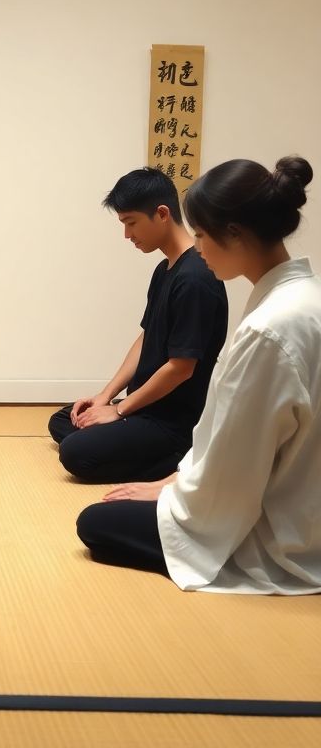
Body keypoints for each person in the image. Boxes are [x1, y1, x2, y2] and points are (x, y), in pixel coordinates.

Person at [77, 156, 321, 593]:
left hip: (277, 526)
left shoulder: (268, 329)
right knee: (77, 434)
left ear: (235, 233)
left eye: (203, 235)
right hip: (301, 501)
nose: (199, 247)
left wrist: (174, 489)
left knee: (95, 521)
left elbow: (238, 461)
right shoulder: (304, 298)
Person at [48, 168, 228, 482]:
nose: (127, 235)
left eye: (131, 223)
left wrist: (119, 410)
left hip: (174, 421)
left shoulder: (195, 278)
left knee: (75, 452)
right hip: (146, 407)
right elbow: (147, 337)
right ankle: (126, 436)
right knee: (64, 420)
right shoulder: (165, 270)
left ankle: (182, 458)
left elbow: (181, 368)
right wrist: (106, 396)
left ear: (162, 214)